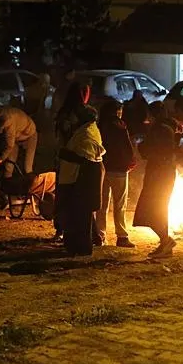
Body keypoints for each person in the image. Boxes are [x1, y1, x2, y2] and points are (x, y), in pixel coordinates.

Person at [58, 105, 105, 256]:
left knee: (81, 215)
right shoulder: (85, 130)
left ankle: (82, 248)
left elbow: (86, 159)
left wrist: (65, 154)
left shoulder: (87, 133)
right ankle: (83, 244)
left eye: (74, 116)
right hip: (80, 177)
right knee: (80, 214)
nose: (72, 119)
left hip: (83, 179)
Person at [133, 102, 178, 258]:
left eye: (150, 115)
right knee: (158, 209)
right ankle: (165, 244)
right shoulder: (167, 127)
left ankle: (166, 241)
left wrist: (141, 145)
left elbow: (148, 150)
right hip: (164, 173)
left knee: (152, 209)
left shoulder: (159, 129)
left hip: (159, 175)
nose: (148, 118)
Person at [51, 81, 91, 242]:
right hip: (73, 159)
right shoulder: (80, 114)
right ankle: (66, 230)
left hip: (66, 158)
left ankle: (63, 229)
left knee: (65, 194)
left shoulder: (65, 111)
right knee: (71, 195)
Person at [96, 99, 137, 248]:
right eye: (120, 110)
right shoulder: (120, 126)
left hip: (103, 168)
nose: (121, 113)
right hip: (119, 170)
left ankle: (99, 236)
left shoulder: (99, 126)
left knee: (101, 204)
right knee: (119, 204)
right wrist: (131, 161)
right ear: (116, 111)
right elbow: (126, 147)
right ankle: (122, 236)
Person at [0, 106, 38, 179]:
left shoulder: (7, 121)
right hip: (16, 135)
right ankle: (7, 186)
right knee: (8, 167)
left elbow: (9, 146)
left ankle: (31, 187)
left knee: (27, 168)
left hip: (29, 135)